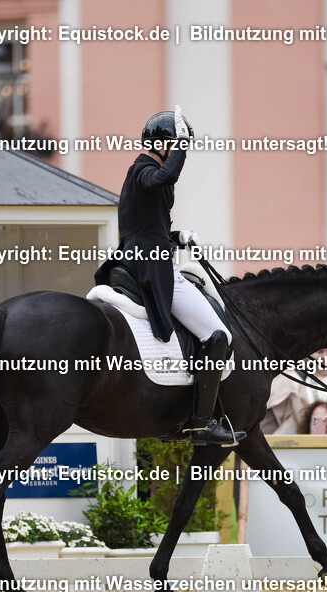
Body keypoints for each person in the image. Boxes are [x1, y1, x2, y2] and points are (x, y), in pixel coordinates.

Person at [97, 107, 240, 446]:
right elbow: (162, 179)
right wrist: (182, 146)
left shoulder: (143, 172)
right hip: (153, 266)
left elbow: (144, 228)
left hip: (144, 255)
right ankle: (202, 422)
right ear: (162, 144)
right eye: (173, 145)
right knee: (218, 335)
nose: (177, 151)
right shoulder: (143, 169)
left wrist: (176, 238)